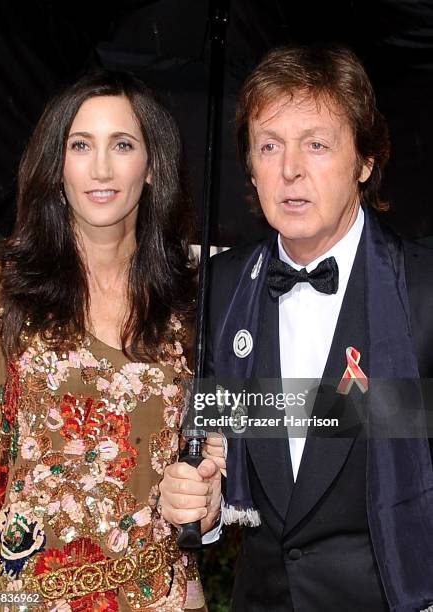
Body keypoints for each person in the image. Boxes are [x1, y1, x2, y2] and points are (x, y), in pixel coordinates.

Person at [159, 45, 433, 611]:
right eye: (269, 146)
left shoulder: (423, 291)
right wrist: (203, 499)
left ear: (364, 161)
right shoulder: (221, 287)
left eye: (316, 144)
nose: (290, 170)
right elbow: (214, 433)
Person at [0, 70, 221, 611]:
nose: (102, 168)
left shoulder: (194, 301)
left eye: (123, 145)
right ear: (56, 164)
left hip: (166, 595)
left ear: (154, 165)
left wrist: (210, 498)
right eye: (81, 145)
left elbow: (219, 451)